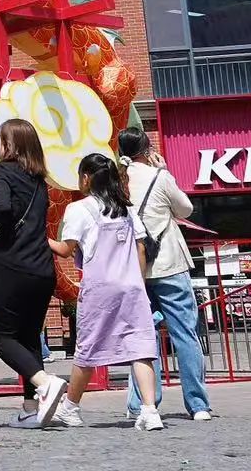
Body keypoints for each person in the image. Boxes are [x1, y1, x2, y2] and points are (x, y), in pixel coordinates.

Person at [50, 152, 167, 431]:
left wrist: (42, 240)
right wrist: (138, 282)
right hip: (132, 287)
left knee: (87, 349)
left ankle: (70, 407)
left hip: (100, 288)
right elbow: (141, 248)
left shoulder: (79, 209)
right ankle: (150, 411)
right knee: (141, 348)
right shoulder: (126, 209)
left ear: (86, 178)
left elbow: (66, 249)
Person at [118, 129, 213, 422]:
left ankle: (142, 403)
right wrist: (164, 171)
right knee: (185, 333)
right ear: (147, 150)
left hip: (134, 269)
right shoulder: (159, 176)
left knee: (141, 338)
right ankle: (197, 404)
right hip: (169, 263)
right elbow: (186, 208)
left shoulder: (116, 180)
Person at [0, 117, 69, 428]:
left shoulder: (1, 172)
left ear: (10, 144)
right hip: (42, 270)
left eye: (0, 140)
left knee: (0, 336)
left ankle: (45, 383)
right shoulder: (39, 180)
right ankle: (31, 409)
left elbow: (0, 209)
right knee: (29, 338)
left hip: (11, 267)